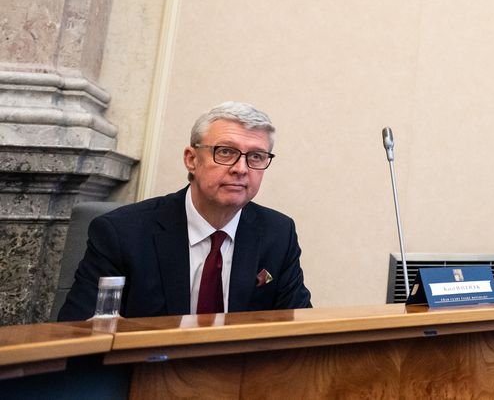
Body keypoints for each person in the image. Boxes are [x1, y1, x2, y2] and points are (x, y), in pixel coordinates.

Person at [58, 101, 312, 320]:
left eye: (256, 156)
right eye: (225, 152)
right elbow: (79, 334)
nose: (241, 169)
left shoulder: (278, 233)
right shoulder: (121, 233)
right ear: (191, 159)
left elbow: (299, 330)